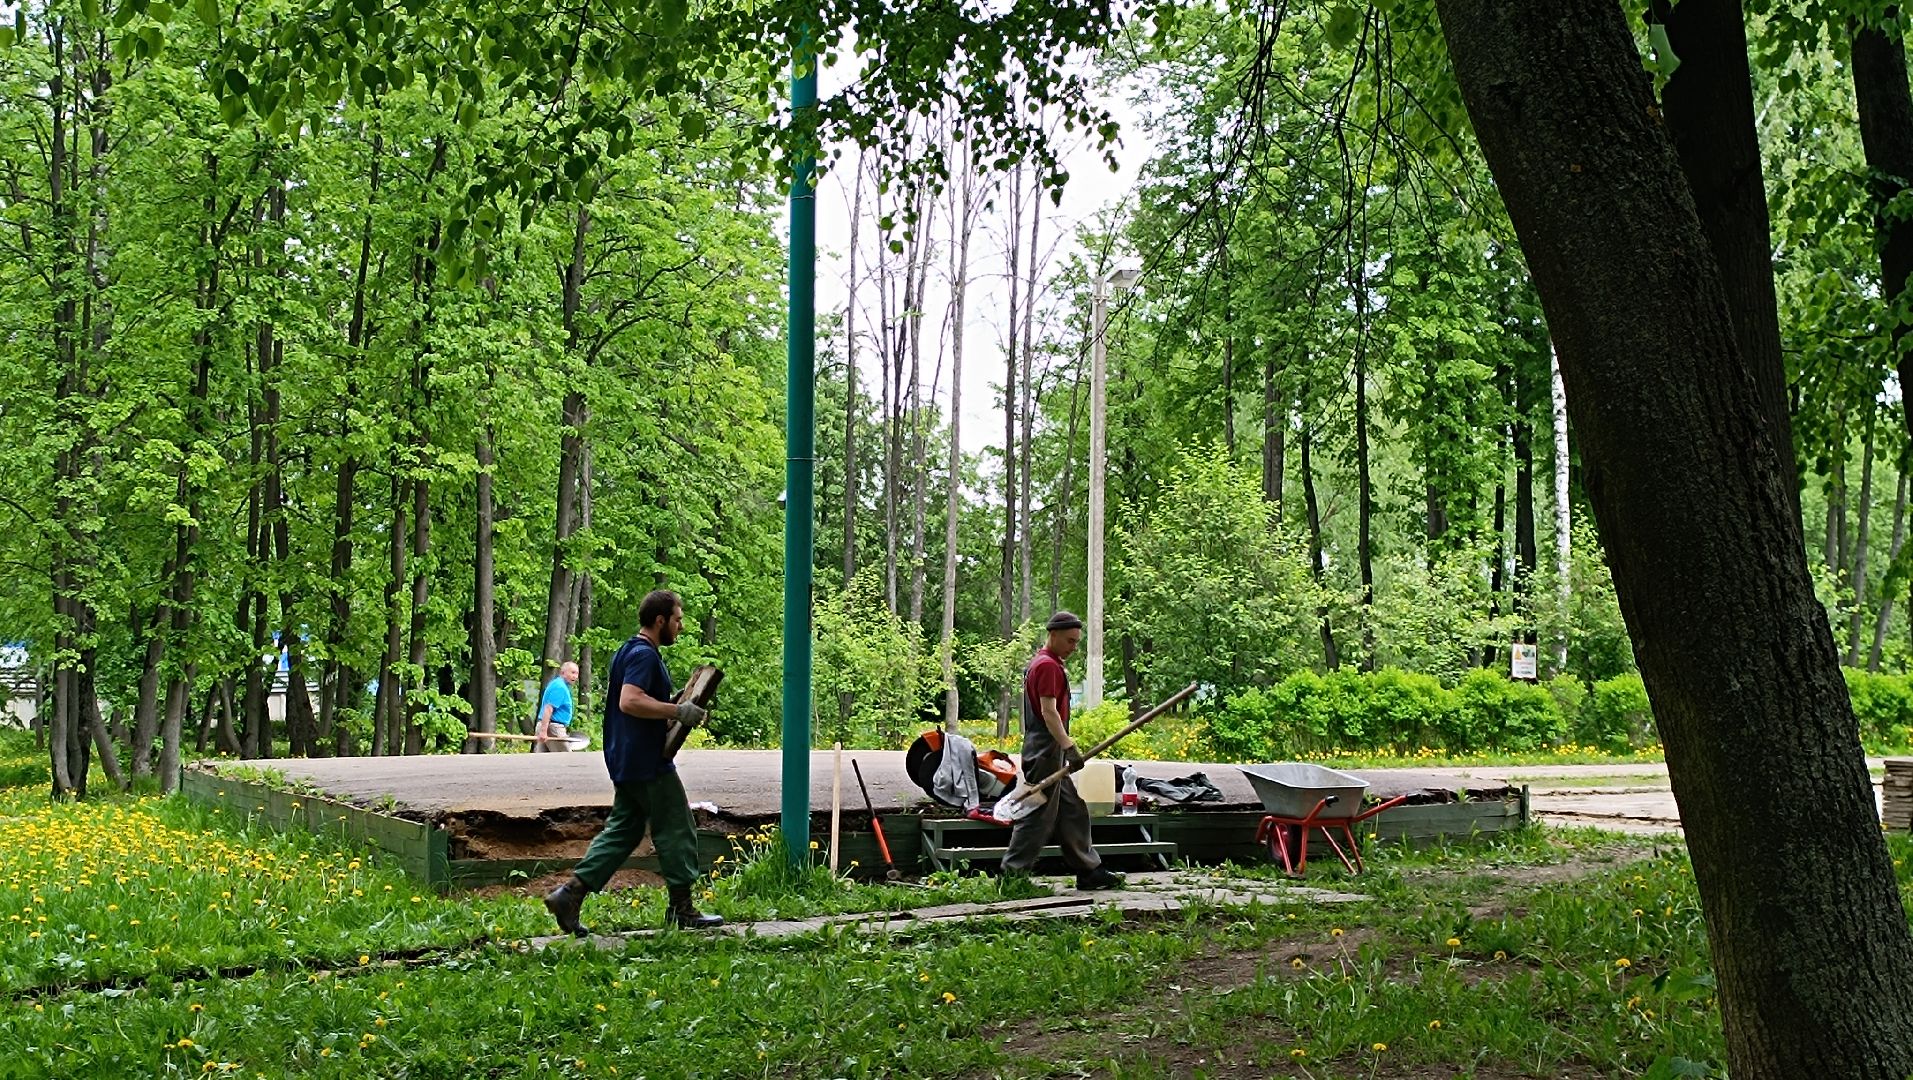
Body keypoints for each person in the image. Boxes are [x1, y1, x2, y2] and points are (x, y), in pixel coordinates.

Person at [544, 590, 723, 934]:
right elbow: (630, 701)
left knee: (623, 831)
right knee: (677, 826)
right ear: (660, 620)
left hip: (625, 758)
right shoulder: (644, 655)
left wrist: (675, 704)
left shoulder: (628, 650)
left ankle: (570, 895)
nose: (681, 626)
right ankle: (682, 908)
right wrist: (677, 711)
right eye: (677, 620)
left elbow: (640, 702)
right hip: (646, 761)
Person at [1003, 611, 1125, 890]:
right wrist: (1069, 746)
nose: (1074, 647)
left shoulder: (1043, 662)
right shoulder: (1047, 666)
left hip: (1048, 748)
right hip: (1046, 749)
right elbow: (1049, 712)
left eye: (1077, 641)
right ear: (1053, 635)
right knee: (1037, 814)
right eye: (1070, 641)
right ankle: (1012, 875)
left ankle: (1089, 870)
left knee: (1072, 811)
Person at [534, 661, 579, 752]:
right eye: (572, 672)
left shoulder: (557, 684)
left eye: (577, 673)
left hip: (546, 726)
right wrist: (543, 731)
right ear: (563, 673)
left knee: (543, 759)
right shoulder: (559, 687)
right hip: (553, 727)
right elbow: (548, 709)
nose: (575, 676)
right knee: (565, 758)